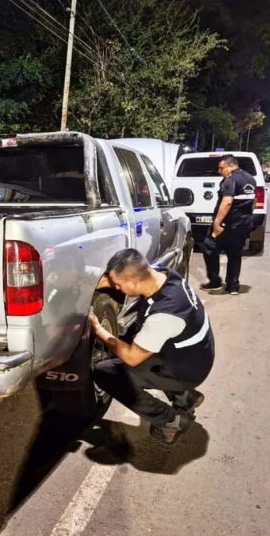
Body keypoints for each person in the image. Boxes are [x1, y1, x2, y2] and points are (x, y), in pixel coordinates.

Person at [89, 249, 215, 446]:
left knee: (106, 372)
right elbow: (113, 279)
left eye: (118, 285)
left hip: (188, 370)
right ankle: (186, 398)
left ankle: (171, 420)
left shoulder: (164, 315)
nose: (115, 288)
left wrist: (98, 330)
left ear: (132, 282)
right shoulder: (162, 274)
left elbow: (132, 358)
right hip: (194, 355)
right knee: (148, 346)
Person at [201, 155, 257, 295]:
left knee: (209, 247)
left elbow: (227, 202)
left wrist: (217, 223)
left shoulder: (230, 180)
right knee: (235, 254)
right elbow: (253, 202)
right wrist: (246, 216)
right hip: (242, 225)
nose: (220, 171)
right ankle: (233, 286)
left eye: (221, 168)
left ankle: (215, 281)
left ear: (231, 165)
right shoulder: (250, 179)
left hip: (227, 225)